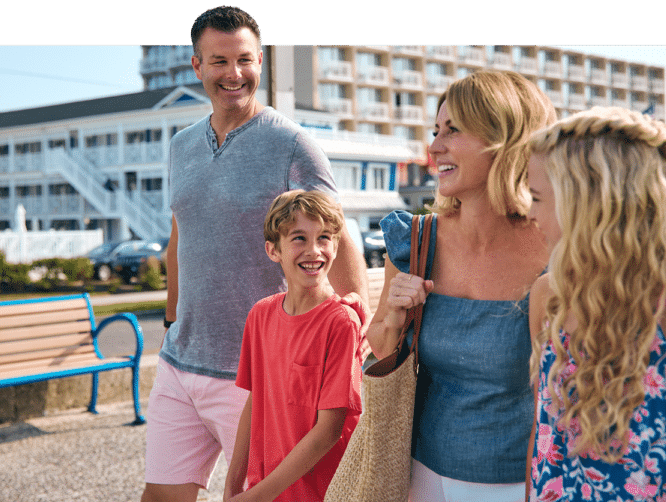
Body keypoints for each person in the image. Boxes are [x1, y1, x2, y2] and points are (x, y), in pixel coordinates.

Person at [141, 7, 368, 502]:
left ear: (260, 62)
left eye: (244, 60)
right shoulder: (181, 145)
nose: (233, 74)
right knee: (159, 496)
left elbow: (337, 234)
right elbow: (180, 234)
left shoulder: (292, 144)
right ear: (197, 66)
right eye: (219, 61)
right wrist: (171, 321)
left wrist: (353, 332)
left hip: (258, 374)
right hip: (181, 361)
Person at [366, 70, 557, 502]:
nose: (435, 147)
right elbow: (379, 348)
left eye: (453, 131)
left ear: (505, 138)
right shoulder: (415, 241)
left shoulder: (554, 245)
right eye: (435, 131)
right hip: (421, 479)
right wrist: (395, 317)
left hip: (523, 485)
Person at [525, 106, 666, 501]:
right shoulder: (548, 299)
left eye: (537, 198)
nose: (530, 214)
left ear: (589, 210)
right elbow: (541, 438)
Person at [224, 190, 364, 502]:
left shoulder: (341, 323)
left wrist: (256, 497)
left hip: (320, 493)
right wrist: (233, 486)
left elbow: (329, 431)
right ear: (273, 250)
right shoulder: (260, 315)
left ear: (336, 246)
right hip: (265, 488)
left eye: (324, 238)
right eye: (299, 238)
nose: (314, 251)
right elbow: (254, 402)